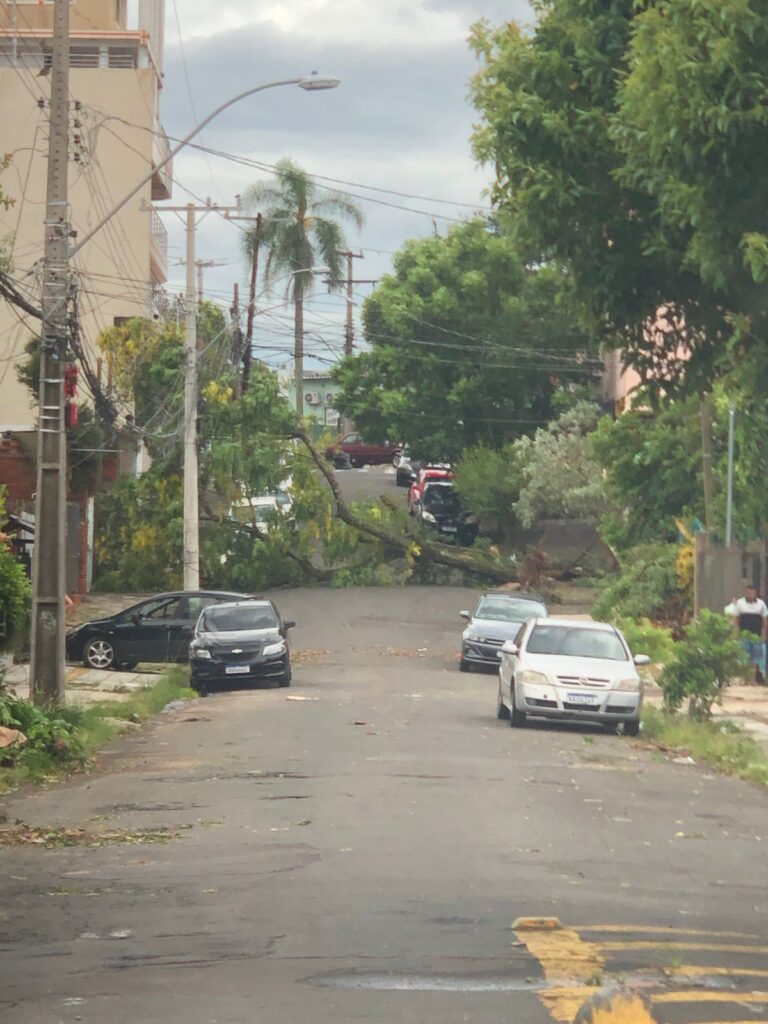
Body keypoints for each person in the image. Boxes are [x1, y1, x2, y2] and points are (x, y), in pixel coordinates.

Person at [731, 584, 768, 683]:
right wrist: (735, 632)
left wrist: (764, 634)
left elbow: (764, 619)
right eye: (748, 592)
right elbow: (736, 618)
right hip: (744, 635)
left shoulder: (761, 604)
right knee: (743, 656)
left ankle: (752, 679)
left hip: (756, 635)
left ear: (755, 593)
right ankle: (744, 679)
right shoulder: (740, 603)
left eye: (752, 592)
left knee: (756, 657)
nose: (750, 594)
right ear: (745, 593)